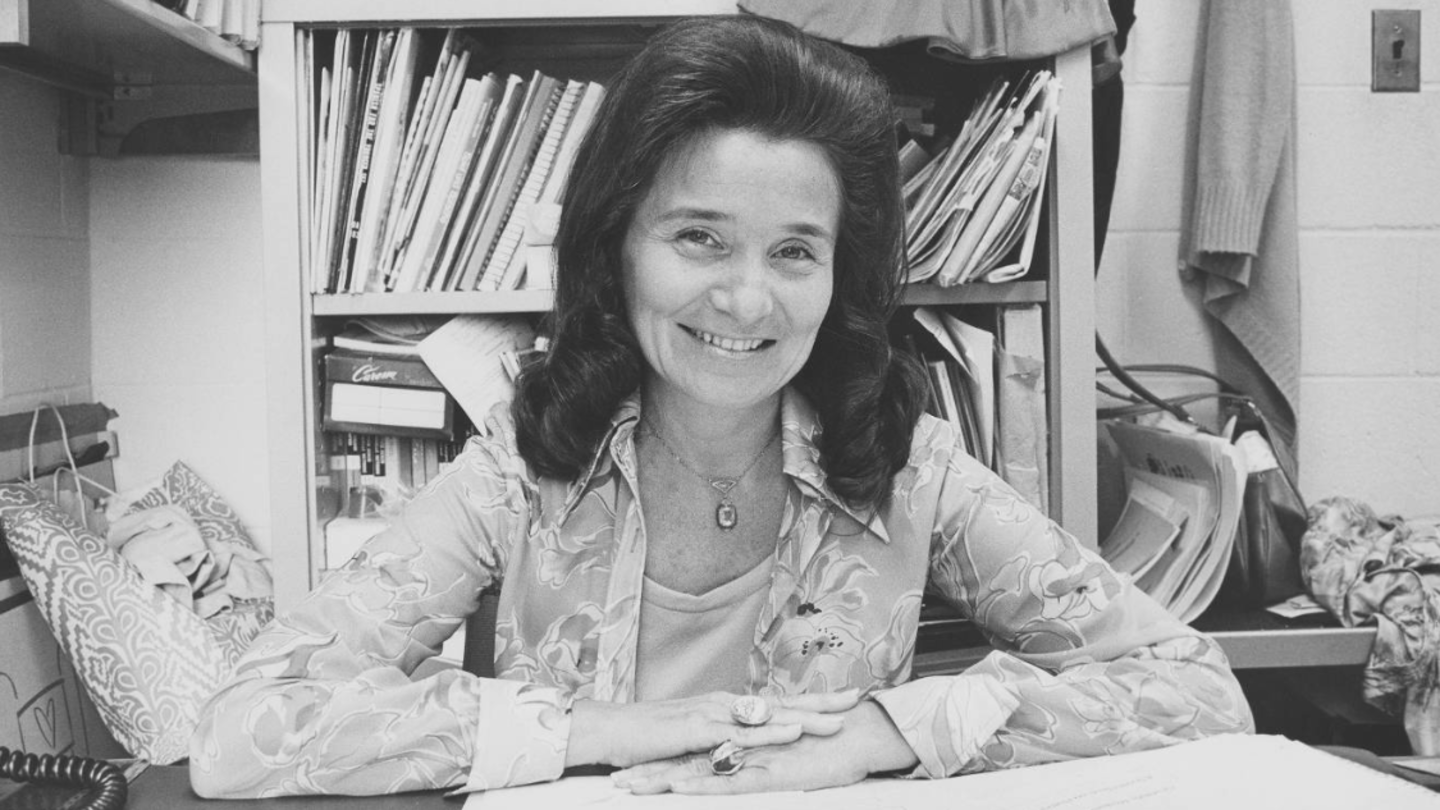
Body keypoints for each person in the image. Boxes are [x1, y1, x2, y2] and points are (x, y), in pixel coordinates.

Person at [190, 14, 1253, 799]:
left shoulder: (911, 469)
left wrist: (884, 729)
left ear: (844, 276)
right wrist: (598, 731)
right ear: (619, 246)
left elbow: (1196, 687)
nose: (747, 300)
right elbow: (243, 729)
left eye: (795, 251)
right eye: (699, 237)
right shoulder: (517, 472)